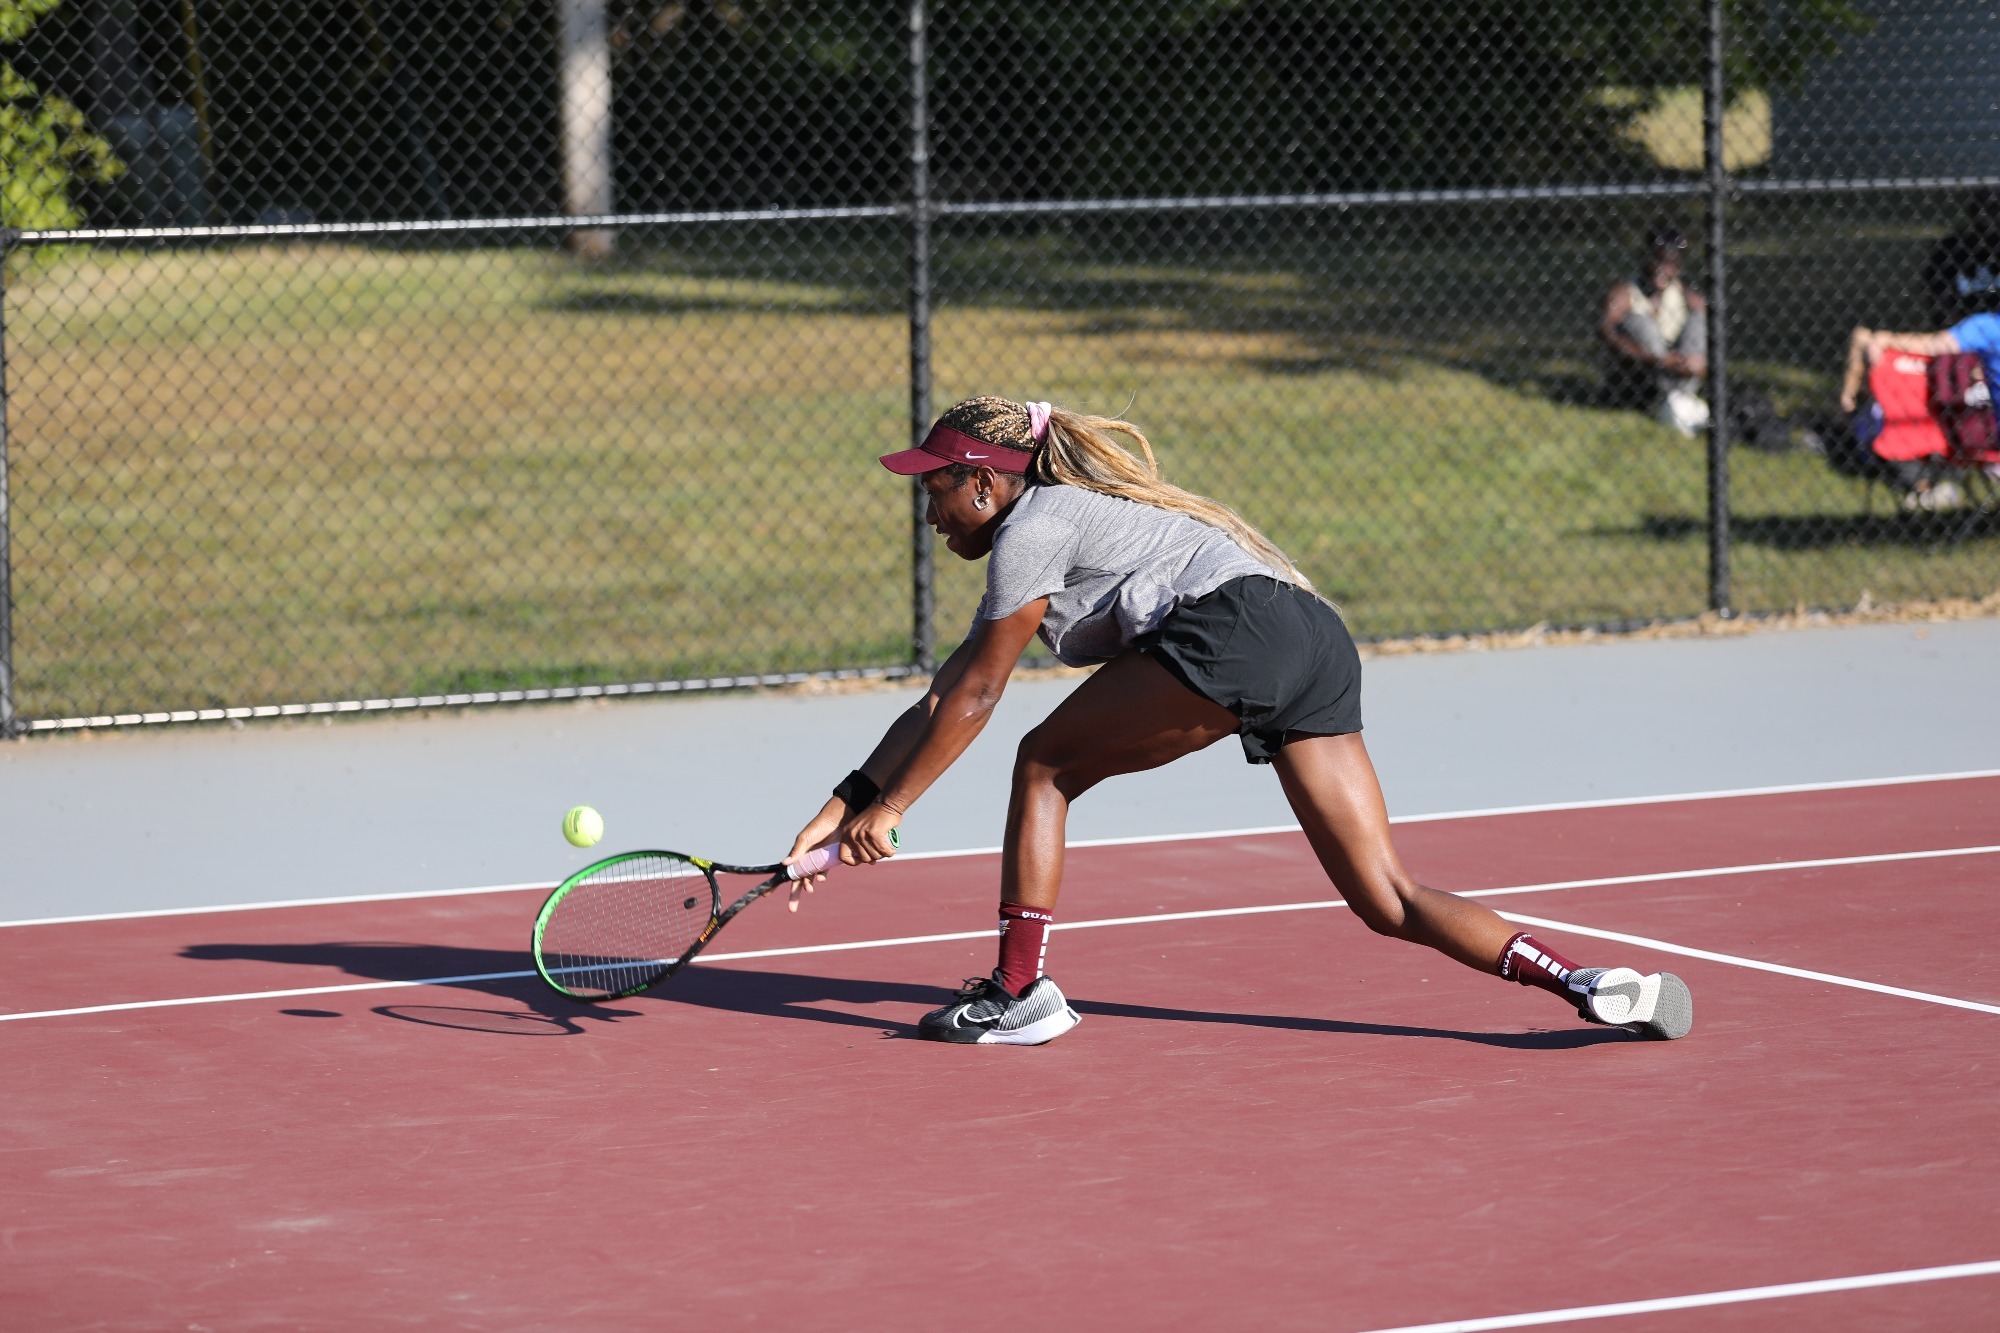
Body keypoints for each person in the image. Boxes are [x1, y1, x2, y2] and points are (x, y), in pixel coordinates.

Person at [782, 395, 1695, 1047]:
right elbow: (945, 693)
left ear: (982, 483)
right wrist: (849, 798)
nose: (929, 512)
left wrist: (894, 807)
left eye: (934, 490)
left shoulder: (1035, 527)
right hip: (1313, 634)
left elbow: (978, 697)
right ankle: (1585, 982)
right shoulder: (1068, 521)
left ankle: (1020, 991)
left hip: (1239, 629)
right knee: (1387, 897)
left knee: (1044, 764)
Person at [1838, 309, 2000, 510]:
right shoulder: (1990, 326)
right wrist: (1884, 339)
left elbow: (1936, 344)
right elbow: (1938, 344)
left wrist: (1885, 339)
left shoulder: (1988, 325)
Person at [1601, 225, 1710, 436]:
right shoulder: (1624, 292)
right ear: (1644, 259)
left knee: (1700, 321)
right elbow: (1606, 332)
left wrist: (1699, 363)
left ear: (1678, 268)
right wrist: (1656, 359)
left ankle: (1677, 400)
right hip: (1638, 377)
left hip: (1676, 373)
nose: (1662, 271)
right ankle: (1669, 403)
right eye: (1657, 262)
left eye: (1671, 265)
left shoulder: (1687, 296)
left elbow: (1709, 339)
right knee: (1640, 323)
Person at [1923, 189, 2000, 328]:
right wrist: (1963, 333)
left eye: (1994, 208)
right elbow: (1937, 297)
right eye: (1980, 208)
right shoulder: (1951, 247)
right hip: (1960, 333)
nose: (1985, 216)